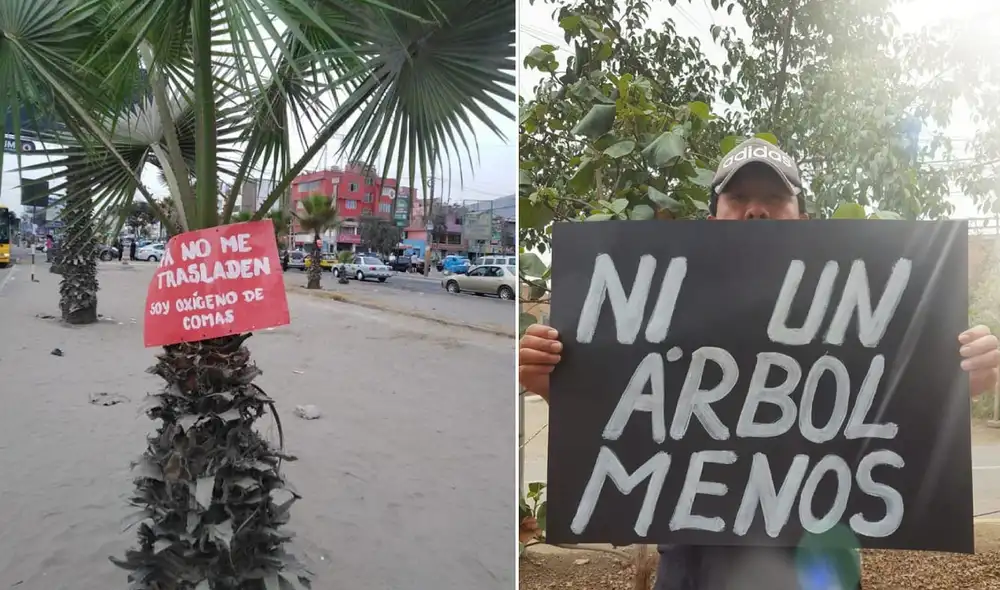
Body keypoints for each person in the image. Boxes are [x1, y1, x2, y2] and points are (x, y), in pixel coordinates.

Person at [517, 138, 1000, 590]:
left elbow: (891, 417)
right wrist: (554, 385)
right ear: (712, 223)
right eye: (738, 197)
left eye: (774, 196)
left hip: (816, 562)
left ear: (803, 221)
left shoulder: (851, 313)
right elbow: (631, 418)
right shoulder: (664, 311)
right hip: (694, 560)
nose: (755, 209)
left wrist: (960, 385)